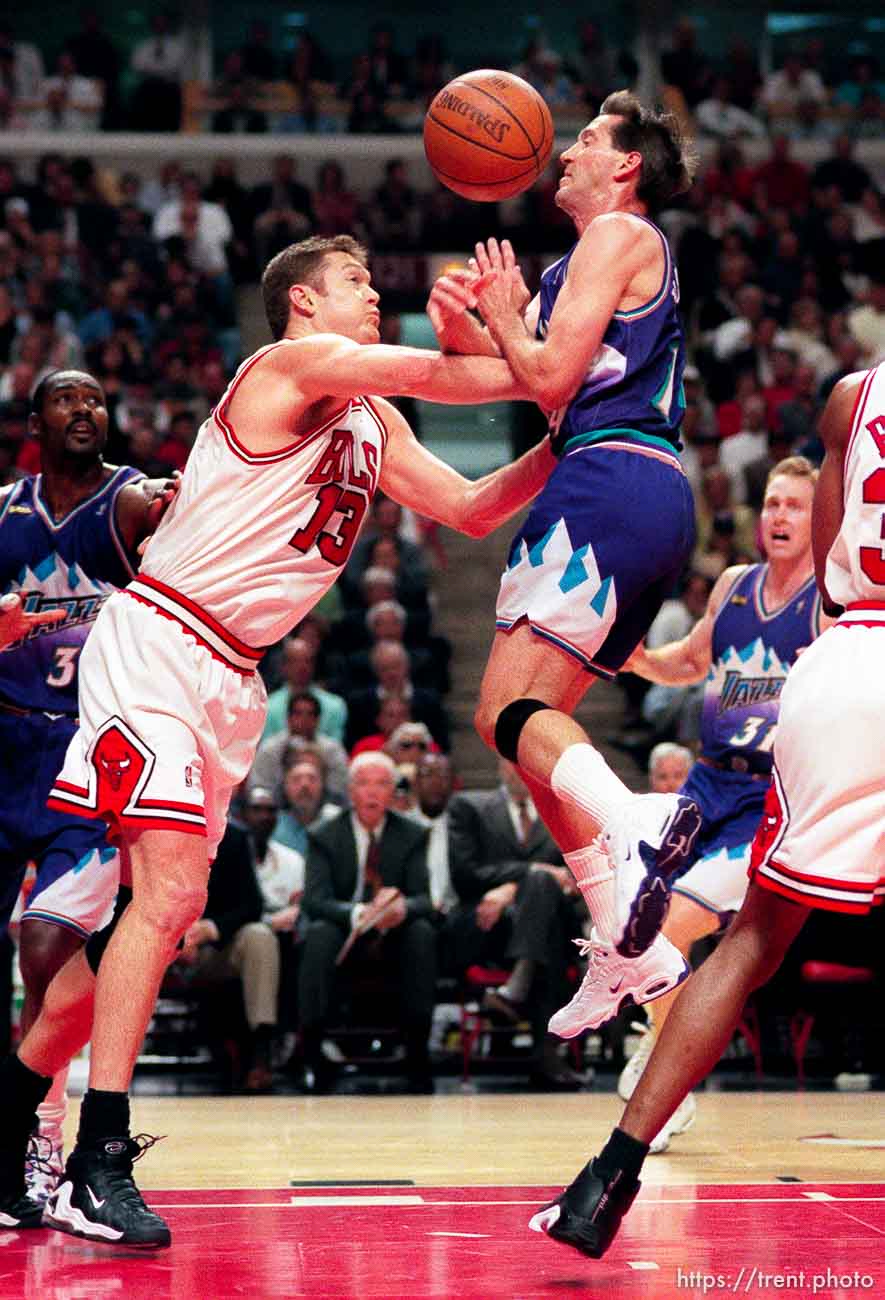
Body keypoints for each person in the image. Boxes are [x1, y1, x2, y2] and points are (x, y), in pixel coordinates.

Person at [0, 233, 553, 1247]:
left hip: (231, 677)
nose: (375, 294)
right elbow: (441, 368)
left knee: (155, 923)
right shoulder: (284, 368)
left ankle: (7, 1111)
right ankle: (96, 1159)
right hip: (162, 637)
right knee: (163, 896)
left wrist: (565, 439)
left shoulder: (373, 422)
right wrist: (551, 361)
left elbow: (472, 509)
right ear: (303, 303)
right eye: (356, 282)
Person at [528, 367, 885, 1260]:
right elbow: (687, 661)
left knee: (752, 942)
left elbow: (838, 585)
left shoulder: (852, 394)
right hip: (730, 775)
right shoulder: (732, 593)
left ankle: (606, 1177)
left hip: (842, 671)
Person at [429, 90, 702, 1031]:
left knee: (506, 713)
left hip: (610, 480)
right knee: (531, 737)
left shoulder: (620, 236)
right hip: (623, 485)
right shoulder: (579, 268)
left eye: (586, 140)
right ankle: (628, 940)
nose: (568, 151)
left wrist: (507, 320)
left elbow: (543, 377)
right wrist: (463, 319)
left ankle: (638, 824)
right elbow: (513, 367)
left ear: (624, 165)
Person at [615, 457, 831, 1153]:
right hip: (705, 784)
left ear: (818, 519)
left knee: (673, 927)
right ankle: (653, 1046)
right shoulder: (735, 586)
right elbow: (688, 663)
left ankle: (663, 1082)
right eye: (771, 504)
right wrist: (634, 658)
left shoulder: (828, 602)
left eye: (794, 507)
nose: (777, 517)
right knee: (634, 922)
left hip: (769, 798)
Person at [0, 369, 174, 1215]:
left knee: (48, 949)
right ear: (34, 420)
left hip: (92, 753)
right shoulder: (5, 512)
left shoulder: (132, 504)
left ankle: (43, 1141)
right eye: (66, 399)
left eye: (98, 399)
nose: (86, 410)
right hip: (6, 745)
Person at [298, 751, 435, 1094]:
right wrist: (360, 914)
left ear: (393, 792)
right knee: (318, 933)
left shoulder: (414, 833)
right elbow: (314, 901)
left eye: (381, 784)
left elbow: (424, 899)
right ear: (349, 791)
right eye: (363, 784)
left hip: (394, 934)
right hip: (343, 929)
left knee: (422, 932)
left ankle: (417, 1051)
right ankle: (311, 1052)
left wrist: (401, 909)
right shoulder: (323, 834)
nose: (372, 793)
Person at [446, 761, 589, 1090]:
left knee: (548, 920)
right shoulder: (467, 806)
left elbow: (576, 879)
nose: (521, 770)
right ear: (499, 763)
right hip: (490, 924)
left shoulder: (564, 811)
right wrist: (528, 877)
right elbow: (465, 876)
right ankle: (547, 1054)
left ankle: (516, 988)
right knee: (542, 898)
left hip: (554, 924)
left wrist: (522, 886)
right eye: (514, 761)